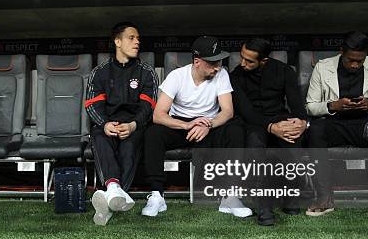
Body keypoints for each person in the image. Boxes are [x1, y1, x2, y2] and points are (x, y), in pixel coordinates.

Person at [305, 32, 368, 226]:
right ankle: (325, 198)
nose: (355, 65)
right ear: (341, 52)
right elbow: (310, 106)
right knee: (315, 130)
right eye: (351, 60)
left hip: (365, 124)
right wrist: (334, 106)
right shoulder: (323, 67)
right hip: (333, 122)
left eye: (360, 61)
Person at [141, 36, 244, 217]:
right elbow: (158, 115)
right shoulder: (177, 76)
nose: (217, 66)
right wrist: (187, 125)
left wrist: (209, 125)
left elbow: (227, 111)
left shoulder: (222, 74)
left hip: (208, 125)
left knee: (235, 130)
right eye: (212, 63)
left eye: (219, 61)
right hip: (181, 125)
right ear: (197, 62)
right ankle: (157, 195)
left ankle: (230, 197)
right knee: (153, 133)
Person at [85, 22, 158, 225]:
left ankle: (110, 195)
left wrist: (134, 125)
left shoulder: (146, 72)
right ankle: (115, 191)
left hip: (134, 126)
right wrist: (105, 124)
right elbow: (92, 105)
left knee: (129, 146)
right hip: (107, 125)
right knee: (99, 136)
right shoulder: (99, 72)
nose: (137, 42)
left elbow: (149, 106)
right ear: (117, 41)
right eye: (131, 38)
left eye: (138, 39)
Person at [230, 39, 308, 226]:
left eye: (249, 61)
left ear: (263, 61)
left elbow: (297, 106)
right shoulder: (236, 75)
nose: (243, 63)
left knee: (293, 138)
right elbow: (246, 111)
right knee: (255, 143)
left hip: (279, 119)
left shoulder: (284, 71)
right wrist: (272, 128)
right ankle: (264, 205)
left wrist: (301, 123)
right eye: (242, 58)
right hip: (252, 122)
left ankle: (290, 196)